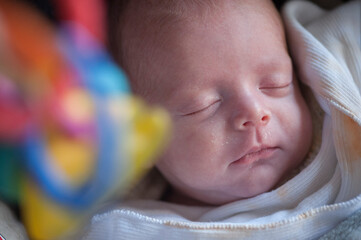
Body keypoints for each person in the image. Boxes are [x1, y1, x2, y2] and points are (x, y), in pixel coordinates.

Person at [83, 0, 361, 239]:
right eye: (203, 106)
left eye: (275, 84)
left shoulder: (336, 75)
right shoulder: (124, 226)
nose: (254, 113)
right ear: (138, 133)